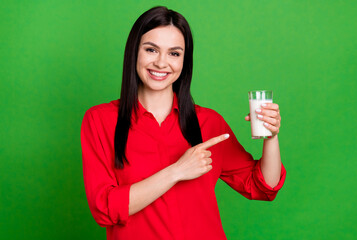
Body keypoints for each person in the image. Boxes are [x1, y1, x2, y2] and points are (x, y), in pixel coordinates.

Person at [81, 6, 286, 240]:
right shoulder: (101, 120)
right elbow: (105, 209)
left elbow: (261, 186)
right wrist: (177, 171)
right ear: (134, 52)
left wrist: (271, 137)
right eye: (151, 50)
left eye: (174, 53)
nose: (161, 63)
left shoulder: (209, 123)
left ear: (184, 61)